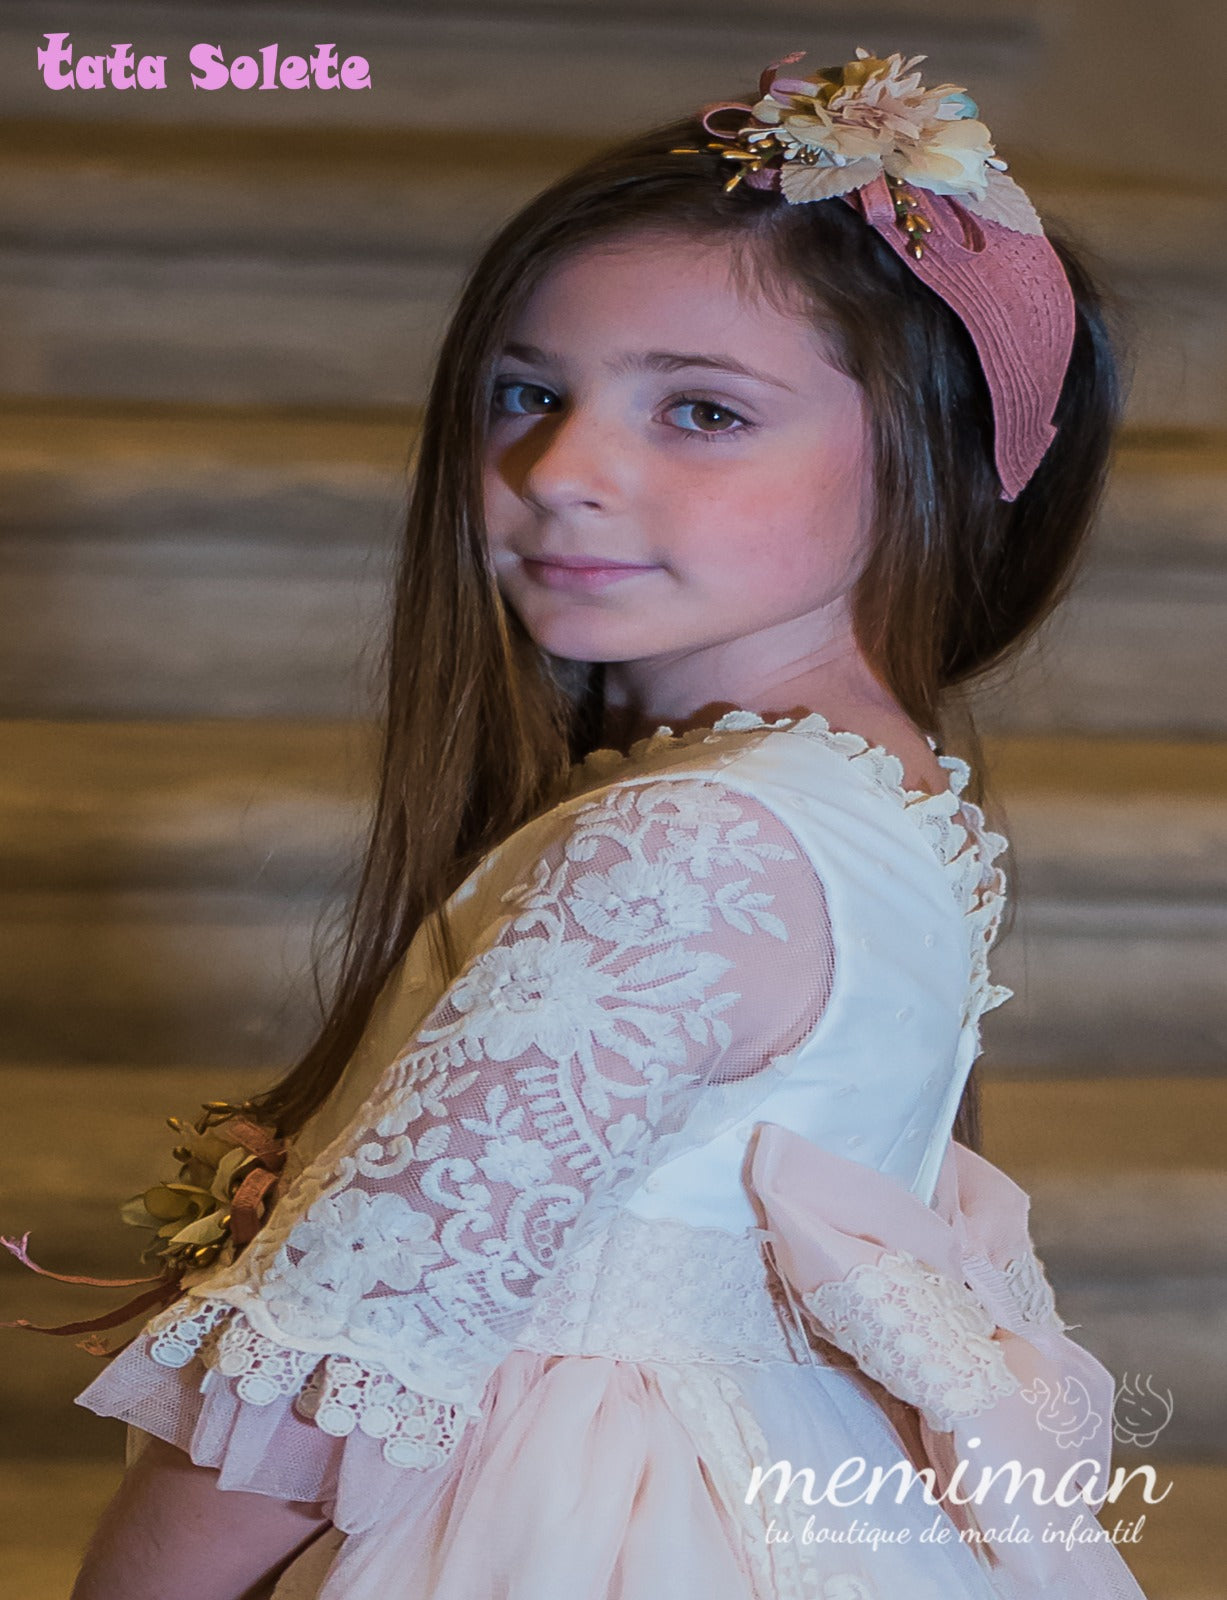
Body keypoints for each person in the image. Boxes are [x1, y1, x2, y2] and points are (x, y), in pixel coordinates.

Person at [62, 45, 1149, 1600]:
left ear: (935, 454)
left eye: (702, 411)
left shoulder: (689, 848)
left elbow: (328, 1373)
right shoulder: (859, 791)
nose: (561, 470)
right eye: (528, 392)